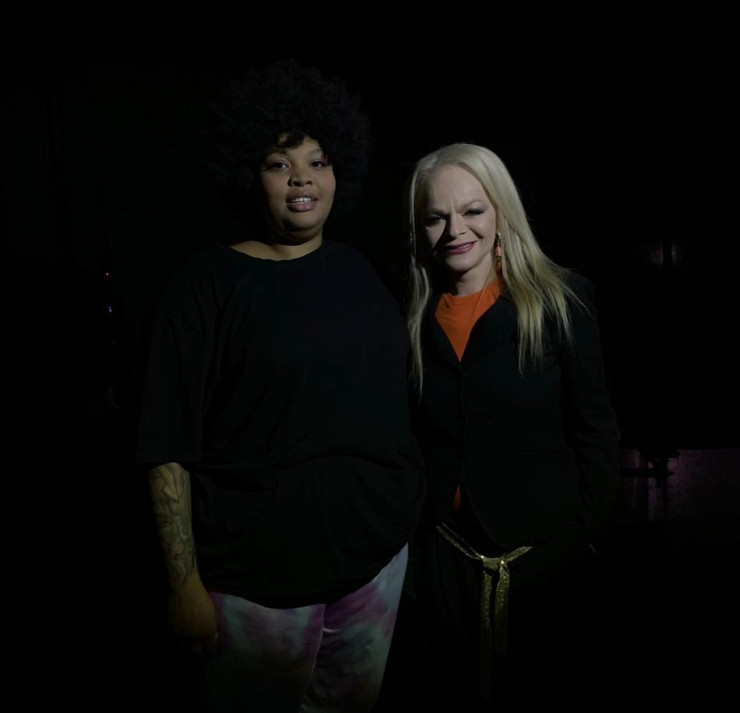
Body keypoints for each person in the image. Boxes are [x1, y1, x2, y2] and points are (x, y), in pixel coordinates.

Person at [131, 58, 425, 713]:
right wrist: (183, 583)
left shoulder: (359, 272)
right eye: (278, 163)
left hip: (373, 570)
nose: (302, 178)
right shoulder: (203, 287)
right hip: (256, 589)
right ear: (249, 174)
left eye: (318, 162)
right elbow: (165, 444)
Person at [400, 142, 621, 712]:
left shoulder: (561, 301)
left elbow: (596, 427)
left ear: (501, 212)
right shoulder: (413, 320)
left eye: (472, 210)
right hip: (444, 563)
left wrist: (584, 536)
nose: (455, 230)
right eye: (436, 216)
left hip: (543, 562)